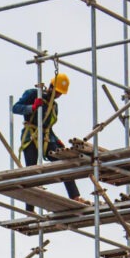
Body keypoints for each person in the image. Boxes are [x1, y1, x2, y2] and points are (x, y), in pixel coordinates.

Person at [12, 72, 85, 210]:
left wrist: (57, 141)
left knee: (63, 164)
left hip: (46, 138)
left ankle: (75, 196)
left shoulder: (54, 106)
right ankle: (30, 210)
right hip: (31, 137)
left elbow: (48, 126)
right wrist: (32, 107)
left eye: (60, 93)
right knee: (32, 172)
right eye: (56, 91)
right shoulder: (33, 94)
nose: (57, 95)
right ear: (51, 86)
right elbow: (15, 108)